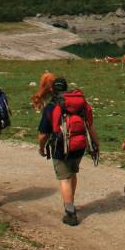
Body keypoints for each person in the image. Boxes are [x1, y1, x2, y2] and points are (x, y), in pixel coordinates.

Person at [38, 77, 97, 226]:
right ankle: (71, 201)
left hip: (60, 146)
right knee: (72, 173)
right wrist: (96, 144)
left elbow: (43, 134)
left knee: (64, 178)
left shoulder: (51, 107)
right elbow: (89, 125)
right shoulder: (79, 105)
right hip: (79, 145)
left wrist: (41, 147)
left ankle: (70, 213)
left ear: (52, 90)